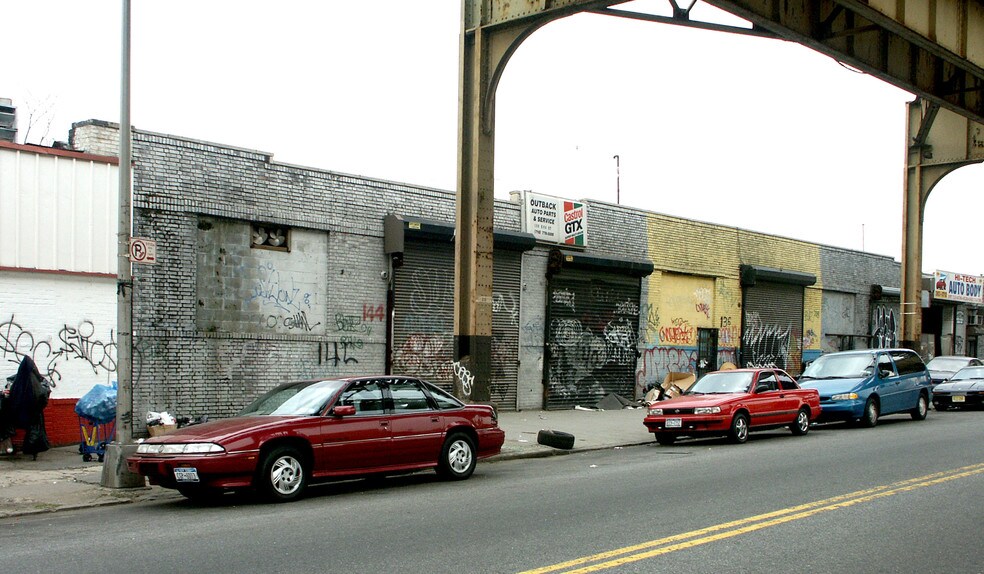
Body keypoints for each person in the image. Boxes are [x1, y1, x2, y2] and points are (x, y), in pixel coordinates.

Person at [0, 357, 52, 459]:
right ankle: (32, 450)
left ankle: (7, 446)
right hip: (32, 416)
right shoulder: (39, 382)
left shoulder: (17, 381)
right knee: (35, 426)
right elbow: (43, 398)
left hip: (16, 415)